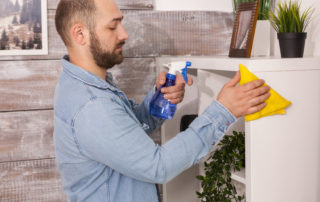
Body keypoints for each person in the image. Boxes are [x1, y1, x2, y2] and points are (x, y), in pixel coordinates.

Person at [53, 0, 270, 201]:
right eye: (113, 27)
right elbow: (158, 166)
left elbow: (124, 136)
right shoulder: (92, 106)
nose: (124, 34)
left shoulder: (84, 86)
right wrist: (224, 110)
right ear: (80, 34)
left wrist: (159, 102)